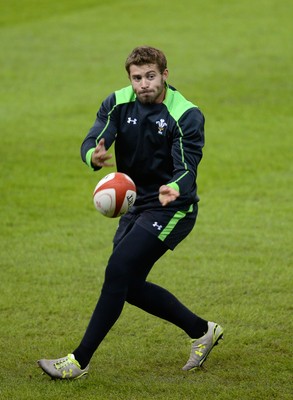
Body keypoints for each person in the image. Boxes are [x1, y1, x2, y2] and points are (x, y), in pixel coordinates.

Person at [38, 45, 223, 380]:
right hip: (137, 204)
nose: (143, 84)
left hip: (173, 207)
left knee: (119, 269)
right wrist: (92, 155)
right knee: (127, 283)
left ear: (165, 75)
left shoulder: (186, 114)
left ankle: (78, 361)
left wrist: (175, 187)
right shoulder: (118, 102)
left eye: (150, 76)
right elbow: (95, 136)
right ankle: (202, 331)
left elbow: (188, 168)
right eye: (137, 78)